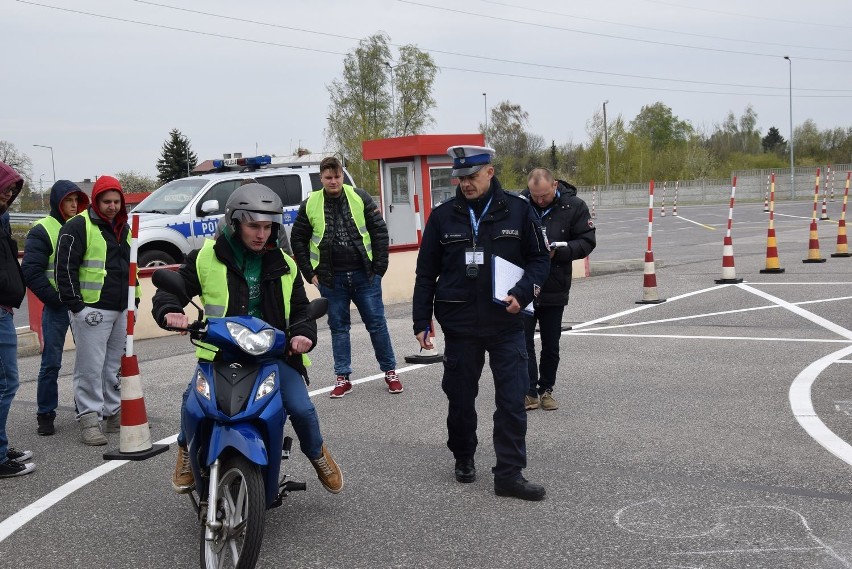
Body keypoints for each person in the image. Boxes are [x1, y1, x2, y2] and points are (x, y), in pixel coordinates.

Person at [152, 184, 343, 495]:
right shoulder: (204, 258)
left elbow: (300, 309)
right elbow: (170, 290)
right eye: (254, 225)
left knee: (302, 409)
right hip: (220, 353)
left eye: (268, 227)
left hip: (273, 356)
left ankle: (317, 454)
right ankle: (186, 452)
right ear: (235, 220)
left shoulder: (285, 263)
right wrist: (171, 310)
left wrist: (304, 334)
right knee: (192, 405)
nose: (261, 234)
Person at [412, 146, 550, 501]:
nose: (465, 184)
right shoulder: (442, 216)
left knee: (510, 400)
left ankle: (509, 474)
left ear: (490, 172)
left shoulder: (519, 210)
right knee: (459, 398)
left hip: (506, 322)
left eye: (472, 176)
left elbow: (539, 261)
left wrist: (524, 293)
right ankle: (463, 455)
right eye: (460, 178)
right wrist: (420, 320)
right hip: (459, 325)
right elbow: (426, 273)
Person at [290, 156, 401, 398]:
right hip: (331, 280)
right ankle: (342, 378)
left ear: (342, 175)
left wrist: (379, 269)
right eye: (328, 177)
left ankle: (390, 372)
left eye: (337, 176)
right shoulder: (310, 204)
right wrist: (310, 274)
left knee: (377, 325)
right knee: (339, 329)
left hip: (366, 275)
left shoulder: (359, 196)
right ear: (321, 178)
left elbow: (379, 231)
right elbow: (297, 239)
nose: (333, 181)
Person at [55, 175, 139, 446]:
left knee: (114, 366)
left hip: (120, 309)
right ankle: (90, 418)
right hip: (91, 310)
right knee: (89, 367)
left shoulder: (124, 229)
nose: (112, 206)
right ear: (96, 201)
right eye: (107, 201)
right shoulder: (78, 226)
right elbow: (64, 269)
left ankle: (113, 413)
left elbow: (132, 268)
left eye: (116, 201)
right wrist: (77, 307)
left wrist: (134, 303)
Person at [520, 168, 596, 412]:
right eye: (535, 196)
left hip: (555, 285)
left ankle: (546, 389)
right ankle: (529, 391)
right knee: (523, 343)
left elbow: (587, 241)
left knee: (551, 344)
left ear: (554, 185)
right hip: (525, 286)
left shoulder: (574, 206)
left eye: (543, 195)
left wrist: (559, 252)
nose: (539, 200)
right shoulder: (520, 205)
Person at [22, 180, 90, 435]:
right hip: (59, 306)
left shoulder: (86, 226)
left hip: (82, 305)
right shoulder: (43, 229)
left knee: (88, 362)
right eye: (68, 201)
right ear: (58, 202)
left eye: (77, 200)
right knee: (51, 363)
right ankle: (45, 413)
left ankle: (85, 410)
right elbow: (30, 271)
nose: (74, 205)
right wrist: (56, 299)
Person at [0, 162, 35, 478]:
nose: (9, 194)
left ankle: (0, 445)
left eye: (12, 190)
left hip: (4, 310)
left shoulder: (2, 221)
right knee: (5, 382)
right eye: (5, 188)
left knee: (5, 382)